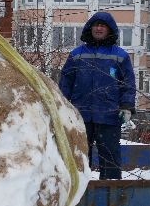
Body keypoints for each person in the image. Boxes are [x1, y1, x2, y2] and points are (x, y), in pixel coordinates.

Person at [58, 11, 136, 180]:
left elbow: (128, 84)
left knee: (110, 159)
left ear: (110, 29)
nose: (98, 28)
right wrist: (61, 106)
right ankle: (79, 191)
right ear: (90, 28)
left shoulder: (120, 56)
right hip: (80, 116)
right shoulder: (77, 54)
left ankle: (111, 192)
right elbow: (65, 82)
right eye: (96, 25)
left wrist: (127, 106)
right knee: (78, 158)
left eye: (103, 26)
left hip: (109, 116)